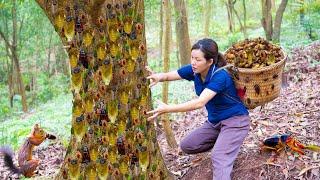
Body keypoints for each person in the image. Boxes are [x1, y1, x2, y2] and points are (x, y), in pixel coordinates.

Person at [146, 38, 250, 180]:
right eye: (192, 58)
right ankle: (225, 143)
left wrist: (168, 108)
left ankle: (225, 148)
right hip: (215, 123)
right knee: (187, 145)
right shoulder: (195, 70)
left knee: (218, 156)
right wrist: (159, 76)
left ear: (210, 61)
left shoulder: (220, 76)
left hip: (235, 121)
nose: (193, 62)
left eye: (198, 59)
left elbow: (199, 103)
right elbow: (173, 74)